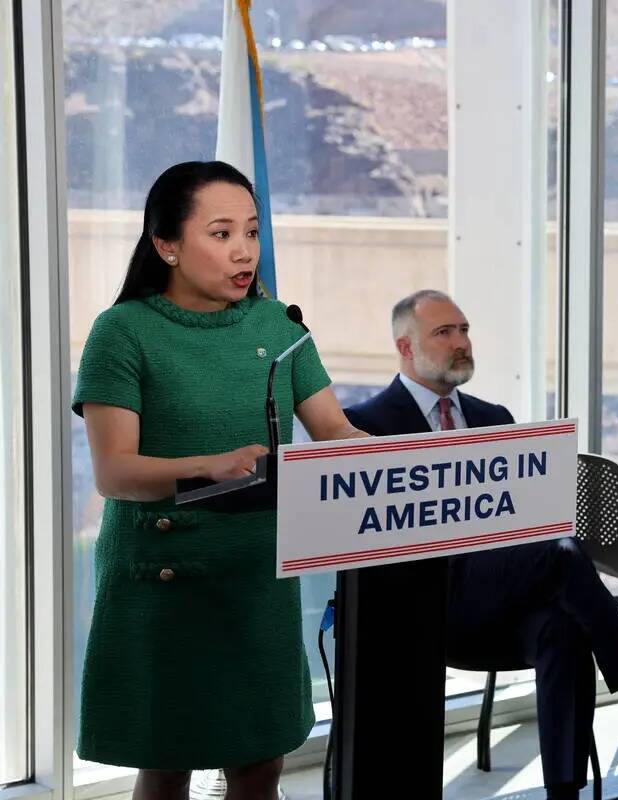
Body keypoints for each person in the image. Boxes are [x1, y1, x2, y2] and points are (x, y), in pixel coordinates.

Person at [343, 289, 618, 800]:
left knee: (563, 624)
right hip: (425, 609)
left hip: (501, 598)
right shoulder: (366, 425)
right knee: (558, 551)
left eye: (465, 331)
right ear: (405, 347)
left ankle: (565, 793)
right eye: (445, 333)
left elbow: (524, 519)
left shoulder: (492, 417)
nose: (462, 342)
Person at [73, 162, 368, 800]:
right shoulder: (121, 333)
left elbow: (335, 432)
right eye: (222, 233)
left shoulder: (280, 329)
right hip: (163, 578)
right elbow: (115, 472)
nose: (244, 251)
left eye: (253, 232)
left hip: (256, 576)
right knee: (167, 761)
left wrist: (408, 462)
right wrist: (210, 465)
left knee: (260, 762)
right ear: (167, 245)